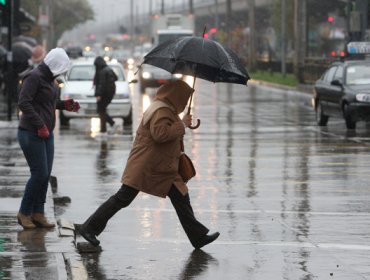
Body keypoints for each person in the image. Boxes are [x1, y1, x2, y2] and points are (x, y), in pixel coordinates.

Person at [80, 80, 220, 249]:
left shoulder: (165, 107)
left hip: (161, 167)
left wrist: (182, 124)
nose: (184, 102)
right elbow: (160, 134)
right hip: (146, 166)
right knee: (122, 198)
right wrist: (181, 124)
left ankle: (197, 237)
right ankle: (89, 228)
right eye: (184, 97)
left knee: (181, 197)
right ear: (176, 96)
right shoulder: (161, 110)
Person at [17, 48, 80, 229]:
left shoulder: (51, 80)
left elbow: (48, 103)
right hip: (30, 132)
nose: (62, 72)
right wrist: (40, 125)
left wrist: (65, 105)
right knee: (39, 174)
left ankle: (38, 213)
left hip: (46, 133)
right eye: (61, 68)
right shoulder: (34, 77)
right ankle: (24, 213)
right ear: (54, 65)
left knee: (45, 176)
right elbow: (24, 102)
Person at [93, 56, 118, 136]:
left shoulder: (102, 72)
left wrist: (98, 94)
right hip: (110, 93)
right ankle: (106, 127)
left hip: (104, 94)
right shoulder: (108, 69)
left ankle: (107, 127)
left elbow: (101, 84)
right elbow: (116, 78)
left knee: (100, 110)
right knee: (102, 110)